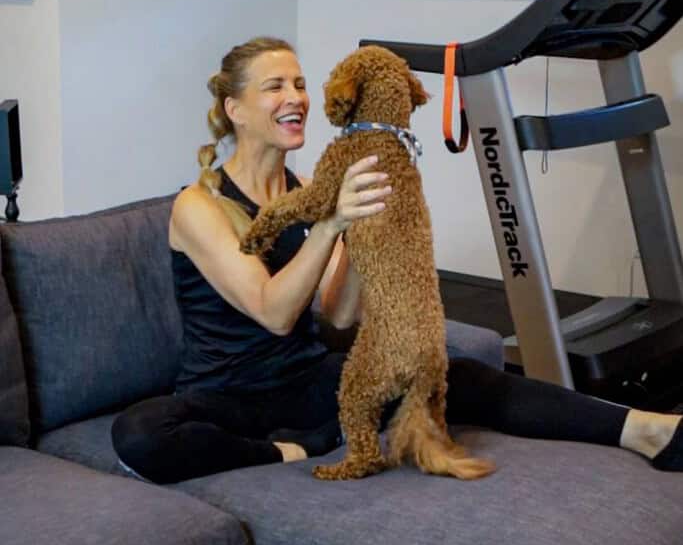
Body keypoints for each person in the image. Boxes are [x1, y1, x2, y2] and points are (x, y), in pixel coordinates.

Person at [112, 36, 683, 483]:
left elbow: (337, 317)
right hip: (226, 397)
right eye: (274, 86)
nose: (297, 98)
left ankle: (646, 429)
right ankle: (286, 452)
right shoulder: (199, 205)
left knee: (460, 373)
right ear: (234, 108)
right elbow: (273, 312)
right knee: (140, 433)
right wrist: (331, 222)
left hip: (310, 383)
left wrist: (369, 231)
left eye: (301, 83)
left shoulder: (308, 185)